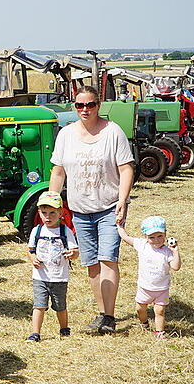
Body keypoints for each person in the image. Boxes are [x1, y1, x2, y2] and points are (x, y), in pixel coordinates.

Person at [49, 86, 135, 334]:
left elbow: (126, 169)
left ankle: (109, 316)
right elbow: (58, 172)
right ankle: (102, 313)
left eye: (90, 105)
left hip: (109, 206)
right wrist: (53, 202)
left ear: (99, 105)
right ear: (74, 106)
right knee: (91, 263)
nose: (85, 110)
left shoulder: (112, 132)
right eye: (79, 105)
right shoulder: (66, 135)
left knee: (108, 258)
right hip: (80, 209)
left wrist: (122, 199)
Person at [24, 191, 79, 342]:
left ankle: (64, 328)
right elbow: (30, 250)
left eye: (52, 213)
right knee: (39, 305)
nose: (48, 217)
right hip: (40, 277)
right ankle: (35, 333)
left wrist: (72, 254)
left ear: (61, 212)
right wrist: (33, 258)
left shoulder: (65, 231)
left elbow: (75, 252)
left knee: (60, 306)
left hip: (59, 277)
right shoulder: (37, 231)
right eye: (44, 213)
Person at [117, 216, 181, 340]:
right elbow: (125, 237)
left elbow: (175, 267)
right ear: (145, 236)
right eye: (152, 237)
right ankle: (144, 323)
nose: (156, 240)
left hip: (162, 289)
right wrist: (120, 226)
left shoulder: (167, 251)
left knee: (160, 311)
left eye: (160, 236)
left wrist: (176, 252)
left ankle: (159, 332)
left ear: (165, 234)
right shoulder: (142, 245)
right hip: (144, 288)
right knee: (140, 309)